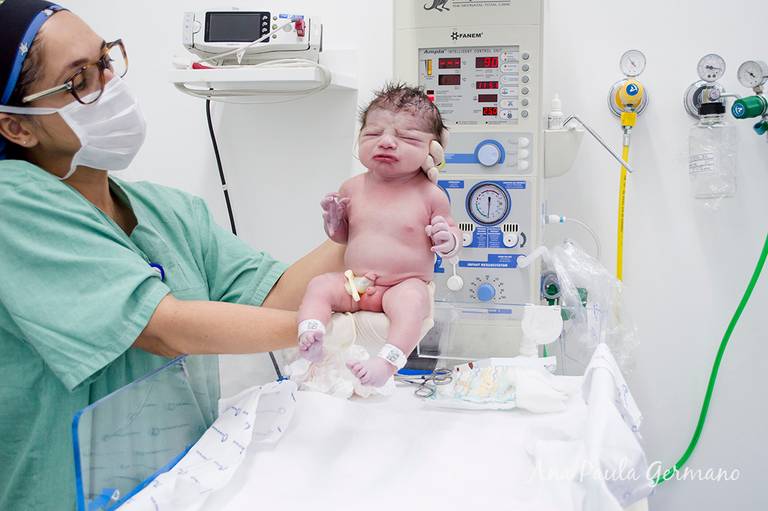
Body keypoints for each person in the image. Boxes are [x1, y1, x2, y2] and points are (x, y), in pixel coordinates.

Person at [0, 2, 344, 509]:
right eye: (78, 80)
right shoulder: (13, 203)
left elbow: (274, 297)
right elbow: (166, 329)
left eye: (105, 61)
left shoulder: (169, 211)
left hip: (184, 486)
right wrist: (330, 326)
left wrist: (375, 212)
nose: (108, 84)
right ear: (18, 128)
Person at [296, 83, 461, 387]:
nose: (385, 142)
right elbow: (343, 238)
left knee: (414, 301)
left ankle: (387, 363)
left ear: (432, 150)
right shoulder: (352, 188)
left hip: (401, 284)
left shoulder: (430, 195)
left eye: (407, 137)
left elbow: (452, 243)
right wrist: (334, 221)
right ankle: (311, 333)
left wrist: (447, 240)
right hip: (358, 283)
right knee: (320, 285)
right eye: (373, 134)